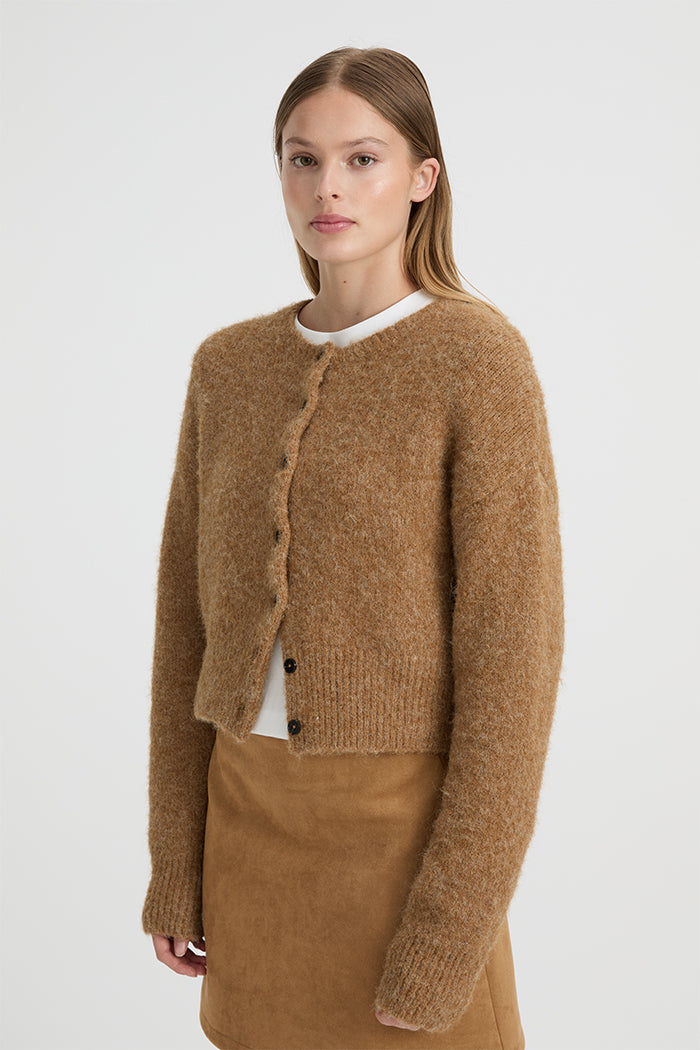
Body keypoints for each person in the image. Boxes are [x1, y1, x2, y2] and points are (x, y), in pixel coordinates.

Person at [141, 45, 565, 1050]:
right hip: (247, 833)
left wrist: (448, 935)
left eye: (362, 159)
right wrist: (176, 862)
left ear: (423, 178)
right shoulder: (228, 367)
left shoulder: (477, 361)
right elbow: (183, 628)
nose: (327, 186)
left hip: (401, 847)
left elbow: (514, 664)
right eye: (303, 158)